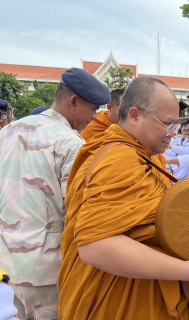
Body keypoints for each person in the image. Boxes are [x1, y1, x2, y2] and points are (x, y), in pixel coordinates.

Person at [57, 76, 189, 320]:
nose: (173, 134)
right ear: (135, 115)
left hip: (146, 288)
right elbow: (94, 246)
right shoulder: (119, 159)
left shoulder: (148, 153)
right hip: (115, 299)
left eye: (176, 125)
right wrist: (187, 269)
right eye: (167, 124)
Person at [0, 68, 110, 320]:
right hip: (46, 273)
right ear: (74, 102)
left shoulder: (8, 131)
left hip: (6, 263)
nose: (94, 118)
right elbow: (78, 212)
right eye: (93, 110)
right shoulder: (70, 143)